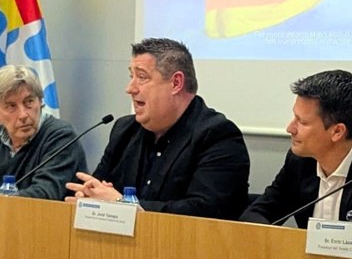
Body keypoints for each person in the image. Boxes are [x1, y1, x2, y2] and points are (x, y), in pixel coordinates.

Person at [67, 38, 249, 218]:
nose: (130, 88)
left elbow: (206, 211)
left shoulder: (217, 136)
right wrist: (88, 197)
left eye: (142, 77)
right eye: (131, 77)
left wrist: (121, 204)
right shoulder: (124, 130)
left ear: (176, 83)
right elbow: (99, 188)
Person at [240, 69, 352, 239]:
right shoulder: (300, 161)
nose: (290, 128)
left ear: (337, 132)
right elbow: (255, 215)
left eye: (302, 122)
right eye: (294, 117)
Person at [0, 65, 87, 200]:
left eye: (29, 102)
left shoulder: (61, 137)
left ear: (40, 101)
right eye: (11, 106)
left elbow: (45, 194)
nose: (23, 115)